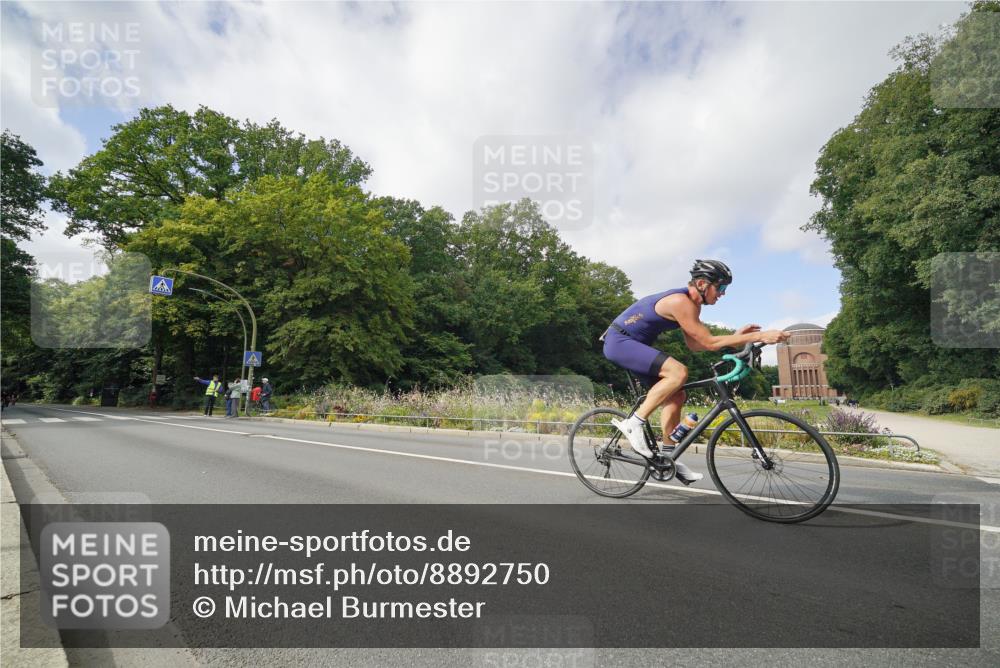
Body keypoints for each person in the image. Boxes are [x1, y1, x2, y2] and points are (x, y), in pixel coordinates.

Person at [602, 259, 791, 484]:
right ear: (702, 284)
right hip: (619, 342)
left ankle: (668, 457)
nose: (723, 293)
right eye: (721, 287)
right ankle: (633, 424)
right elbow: (708, 342)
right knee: (678, 372)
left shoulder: (693, 306)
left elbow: (696, 345)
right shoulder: (680, 301)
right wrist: (759, 336)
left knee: (677, 395)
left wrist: (736, 337)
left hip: (634, 345)